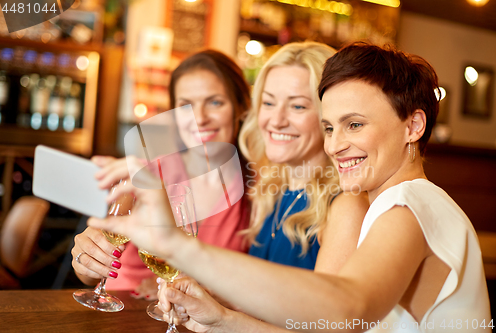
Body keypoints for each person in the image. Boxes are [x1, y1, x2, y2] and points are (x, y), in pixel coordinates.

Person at [91, 41, 492, 332]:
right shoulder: (385, 203)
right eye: (330, 127)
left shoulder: (409, 203)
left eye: (355, 124)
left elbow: (346, 310)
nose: (335, 143)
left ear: (413, 126)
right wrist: (224, 319)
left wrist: (180, 248)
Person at [71, 50, 252, 299]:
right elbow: (91, 273)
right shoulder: (146, 170)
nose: (199, 118)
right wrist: (86, 257)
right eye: (185, 105)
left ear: (241, 107)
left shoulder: (256, 186)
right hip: (124, 308)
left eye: (215, 102)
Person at [238, 41, 368, 270]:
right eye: (268, 102)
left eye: (297, 107)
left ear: (329, 117)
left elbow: (326, 306)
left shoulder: (346, 205)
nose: (276, 120)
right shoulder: (272, 191)